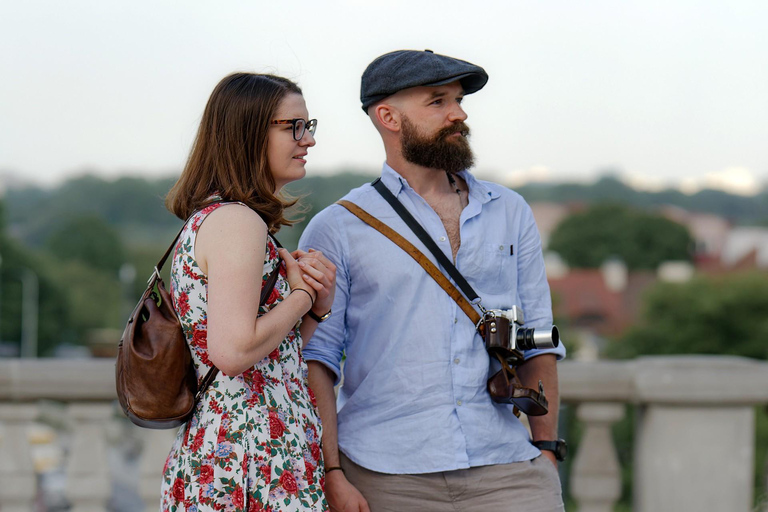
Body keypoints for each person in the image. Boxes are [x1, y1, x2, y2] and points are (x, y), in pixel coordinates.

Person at [299, 50, 567, 512]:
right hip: (384, 474)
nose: (459, 114)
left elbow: (538, 340)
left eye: (459, 100)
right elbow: (317, 358)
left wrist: (546, 451)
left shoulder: (510, 211)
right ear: (388, 116)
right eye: (438, 101)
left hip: (508, 469)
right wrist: (332, 473)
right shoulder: (338, 227)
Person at [160, 72, 336, 512]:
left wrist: (313, 312)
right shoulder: (239, 222)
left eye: (308, 125)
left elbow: (267, 358)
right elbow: (233, 353)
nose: (307, 140)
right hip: (249, 456)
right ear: (248, 132)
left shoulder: (217, 218)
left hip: (239, 449)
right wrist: (301, 298)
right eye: (293, 126)